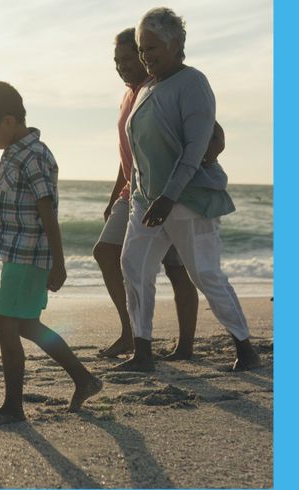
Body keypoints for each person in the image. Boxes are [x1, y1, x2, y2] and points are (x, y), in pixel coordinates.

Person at [115, 8, 259, 374]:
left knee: (205, 274)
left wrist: (168, 197)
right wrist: (139, 195)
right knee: (134, 266)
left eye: (153, 47)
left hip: (187, 200)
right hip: (147, 202)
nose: (146, 55)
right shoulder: (148, 87)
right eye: (142, 48)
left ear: (177, 44)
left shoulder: (193, 83)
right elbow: (140, 150)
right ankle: (143, 350)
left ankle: (245, 347)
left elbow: (197, 147)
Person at [0, 81, 102, 425]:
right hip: (18, 254)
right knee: (26, 325)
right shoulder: (15, 152)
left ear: (9, 121)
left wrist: (59, 263)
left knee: (4, 324)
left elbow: (47, 211)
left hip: (29, 255)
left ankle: (14, 407)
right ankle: (84, 379)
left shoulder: (34, 154)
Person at [95, 27, 226, 361]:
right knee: (107, 252)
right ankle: (132, 332)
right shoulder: (131, 95)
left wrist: (194, 168)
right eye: (117, 60)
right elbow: (131, 154)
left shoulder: (168, 89)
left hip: (170, 195)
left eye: (128, 57)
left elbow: (213, 134)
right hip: (135, 192)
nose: (122, 65)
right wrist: (115, 197)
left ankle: (183, 345)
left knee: (177, 270)